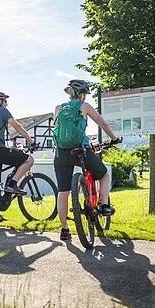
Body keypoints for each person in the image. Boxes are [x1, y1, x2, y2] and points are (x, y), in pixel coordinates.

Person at [53, 79, 120, 241]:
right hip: (80, 150)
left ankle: (64, 230)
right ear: (83, 94)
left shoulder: (58, 108)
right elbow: (103, 124)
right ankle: (104, 206)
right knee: (104, 174)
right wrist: (114, 139)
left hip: (61, 154)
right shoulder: (85, 106)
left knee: (63, 192)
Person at [0, 92, 37, 197]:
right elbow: (17, 127)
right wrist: (31, 141)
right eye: (5, 101)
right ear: (0, 101)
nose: (7, 104)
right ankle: (12, 184)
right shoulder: (3, 111)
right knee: (29, 160)